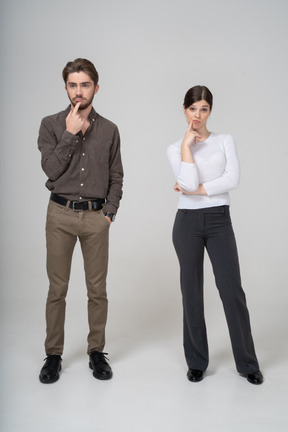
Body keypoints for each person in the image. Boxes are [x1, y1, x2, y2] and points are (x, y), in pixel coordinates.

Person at [167, 85, 263, 385]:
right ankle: (196, 361)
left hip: (220, 221)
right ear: (184, 110)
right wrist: (186, 148)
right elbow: (188, 179)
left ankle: (247, 363)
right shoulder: (174, 148)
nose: (198, 115)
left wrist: (196, 190)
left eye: (204, 109)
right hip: (187, 223)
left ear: (210, 111)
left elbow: (232, 178)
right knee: (192, 292)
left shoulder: (224, 141)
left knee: (231, 290)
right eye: (193, 109)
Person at [38, 58, 123, 383]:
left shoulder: (110, 129)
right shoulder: (50, 124)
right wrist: (70, 134)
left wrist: (109, 212)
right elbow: (51, 170)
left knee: (96, 290)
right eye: (73, 85)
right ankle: (53, 355)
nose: (78, 91)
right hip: (59, 214)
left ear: (95, 88)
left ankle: (96, 352)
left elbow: (117, 175)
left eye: (85, 84)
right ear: (66, 88)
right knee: (57, 289)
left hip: (95, 217)